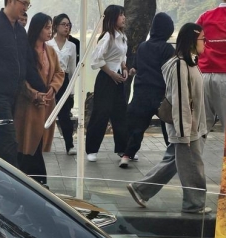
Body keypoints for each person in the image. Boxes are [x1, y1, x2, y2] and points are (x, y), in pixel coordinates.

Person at [126, 23, 209, 214]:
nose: (205, 43)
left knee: (174, 162)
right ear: (192, 40)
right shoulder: (180, 65)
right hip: (186, 128)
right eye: (203, 39)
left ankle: (141, 189)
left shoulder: (189, 62)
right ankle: (194, 204)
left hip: (190, 126)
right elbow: (180, 100)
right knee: (193, 167)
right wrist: (184, 133)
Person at [0, 0, 43, 167]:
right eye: (23, 3)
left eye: (28, 4)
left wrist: (43, 88)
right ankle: (12, 180)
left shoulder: (20, 31)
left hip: (16, 94)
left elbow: (27, 64)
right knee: (9, 141)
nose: (25, 8)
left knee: (1, 142)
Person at [120, 12, 175, 168]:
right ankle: (173, 157)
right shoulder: (168, 49)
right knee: (168, 126)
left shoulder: (143, 46)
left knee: (137, 128)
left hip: (141, 93)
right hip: (160, 94)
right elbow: (170, 72)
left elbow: (136, 67)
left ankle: (126, 156)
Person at [16, 13, 64, 186]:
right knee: (28, 144)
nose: (50, 31)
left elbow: (59, 72)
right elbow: (21, 79)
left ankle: (34, 182)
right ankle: (38, 182)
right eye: (47, 27)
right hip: (29, 105)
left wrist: (53, 87)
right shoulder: (26, 50)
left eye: (51, 27)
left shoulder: (50, 51)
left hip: (47, 102)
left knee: (38, 143)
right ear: (37, 29)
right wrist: (34, 94)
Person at [85, 5, 129, 163]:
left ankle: (122, 149)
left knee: (120, 113)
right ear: (112, 17)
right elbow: (96, 59)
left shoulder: (122, 36)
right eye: (120, 15)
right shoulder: (107, 37)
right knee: (101, 113)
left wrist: (124, 68)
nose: (123, 18)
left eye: (123, 15)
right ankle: (91, 149)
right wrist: (111, 74)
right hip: (106, 79)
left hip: (118, 78)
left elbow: (122, 56)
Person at [196, 0, 226, 132]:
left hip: (202, 74)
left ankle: (195, 146)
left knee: (201, 126)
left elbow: (191, 40)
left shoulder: (205, 16)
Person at [48, 14, 78, 155]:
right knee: (45, 112)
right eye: (64, 24)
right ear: (56, 26)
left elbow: (72, 69)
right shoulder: (48, 44)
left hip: (64, 79)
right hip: (49, 79)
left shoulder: (71, 46)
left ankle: (69, 145)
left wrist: (71, 90)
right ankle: (41, 143)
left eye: (68, 25)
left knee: (65, 114)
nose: (66, 27)